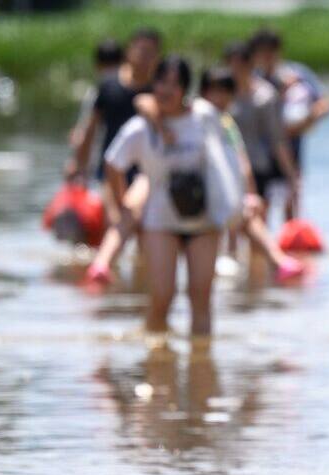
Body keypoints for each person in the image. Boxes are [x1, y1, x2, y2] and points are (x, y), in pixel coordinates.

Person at [102, 55, 239, 341]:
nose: (166, 90)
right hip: (160, 221)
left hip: (205, 219)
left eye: (175, 84)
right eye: (161, 82)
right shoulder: (141, 128)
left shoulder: (203, 117)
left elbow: (230, 156)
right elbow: (113, 164)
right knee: (162, 296)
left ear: (186, 89)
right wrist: (123, 205)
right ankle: (156, 360)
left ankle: (202, 365)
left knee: (200, 298)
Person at [128, 68, 303, 282]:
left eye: (225, 92)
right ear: (201, 92)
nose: (220, 98)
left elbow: (241, 161)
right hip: (170, 190)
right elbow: (143, 100)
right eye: (214, 91)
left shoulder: (223, 121)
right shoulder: (191, 111)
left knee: (243, 214)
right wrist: (160, 125)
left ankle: (271, 260)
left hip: (206, 192)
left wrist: (250, 194)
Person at [69, 28, 162, 285]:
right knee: (115, 223)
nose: (143, 57)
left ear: (157, 57)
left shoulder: (159, 91)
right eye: (139, 50)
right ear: (129, 52)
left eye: (150, 53)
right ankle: (113, 289)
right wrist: (78, 164)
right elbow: (90, 128)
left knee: (145, 230)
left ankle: (141, 290)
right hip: (111, 169)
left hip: (147, 171)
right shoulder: (109, 86)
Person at [250, 28, 329, 220]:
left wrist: (305, 122)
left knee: (292, 204)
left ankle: (291, 247)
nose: (267, 57)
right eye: (262, 52)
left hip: (293, 146)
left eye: (270, 51)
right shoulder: (252, 79)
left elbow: (325, 103)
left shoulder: (297, 73)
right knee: (261, 207)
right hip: (261, 152)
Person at [223, 41, 301, 228]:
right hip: (226, 165)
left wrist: (291, 175)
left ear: (249, 65)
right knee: (229, 226)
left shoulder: (265, 96)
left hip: (258, 167)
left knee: (256, 223)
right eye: (230, 65)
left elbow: (277, 139)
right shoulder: (220, 92)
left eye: (239, 65)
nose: (235, 70)